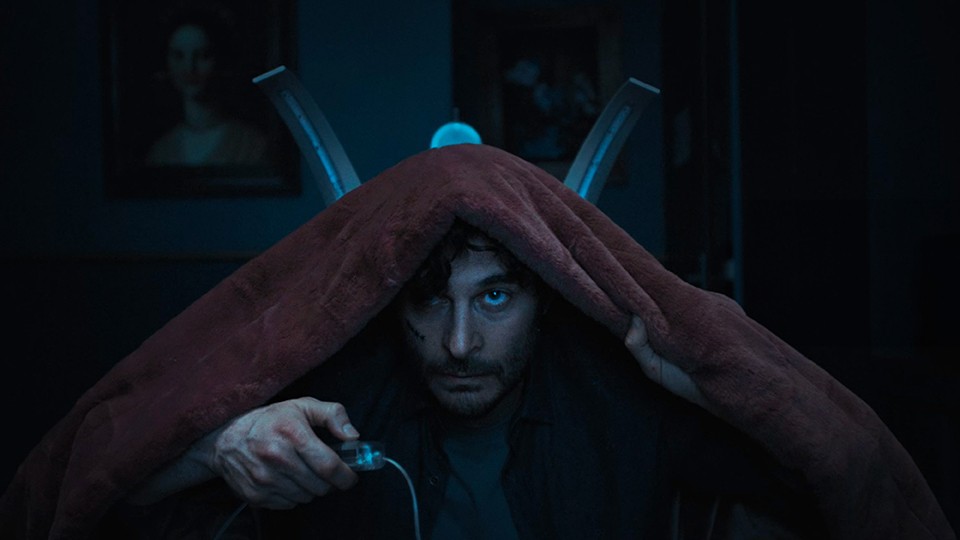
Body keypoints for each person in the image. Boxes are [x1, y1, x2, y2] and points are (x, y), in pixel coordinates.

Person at [2, 144, 952, 539]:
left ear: (548, 299)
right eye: (429, 303)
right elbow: (95, 496)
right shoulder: (341, 397)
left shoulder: (622, 401)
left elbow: (837, 493)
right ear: (387, 306)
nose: (459, 342)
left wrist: (706, 380)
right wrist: (223, 446)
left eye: (495, 297)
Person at [145, 9, 267, 168]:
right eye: (179, 56)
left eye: (203, 55)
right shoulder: (160, 152)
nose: (190, 68)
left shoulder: (251, 145)